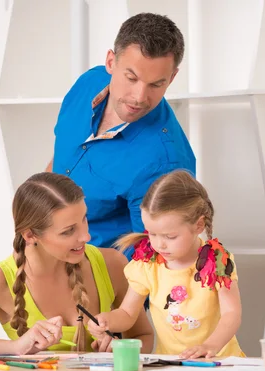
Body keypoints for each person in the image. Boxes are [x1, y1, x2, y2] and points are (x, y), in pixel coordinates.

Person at [0, 172, 153, 356]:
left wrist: (121, 349)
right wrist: (15, 346)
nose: (85, 237)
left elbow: (144, 335)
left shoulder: (111, 263)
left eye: (84, 220)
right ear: (30, 235)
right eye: (68, 231)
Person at [47, 12, 196, 251]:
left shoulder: (165, 163)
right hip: (44, 252)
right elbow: (62, 156)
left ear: (172, 77)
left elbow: (154, 263)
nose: (139, 98)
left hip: (100, 275)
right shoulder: (87, 83)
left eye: (157, 84)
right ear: (110, 62)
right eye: (131, 77)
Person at [87, 170, 244, 359]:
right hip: (172, 364)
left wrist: (210, 345)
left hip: (218, 361)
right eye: (152, 234)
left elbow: (231, 313)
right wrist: (106, 320)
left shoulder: (217, 262)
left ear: (198, 225)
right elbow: (127, 314)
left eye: (170, 236)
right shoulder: (147, 265)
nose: (159, 244)